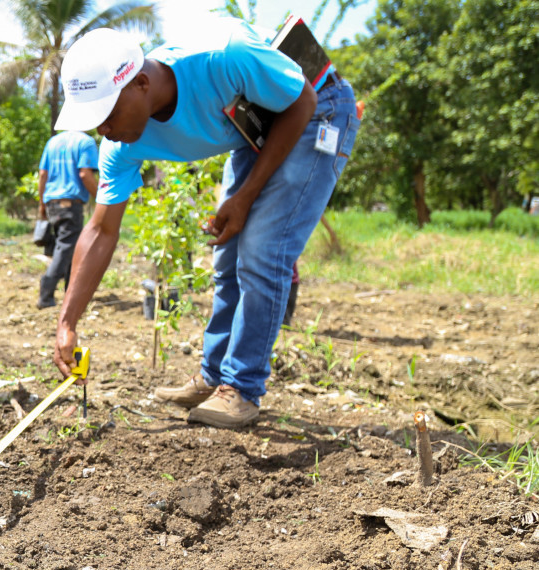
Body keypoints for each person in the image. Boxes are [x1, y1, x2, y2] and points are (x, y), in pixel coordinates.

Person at [49, 22, 359, 428]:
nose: (102, 131)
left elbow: (301, 100)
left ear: (140, 83)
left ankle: (242, 388)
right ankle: (215, 377)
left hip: (315, 106)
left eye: (107, 115)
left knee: (262, 252)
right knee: (227, 255)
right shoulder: (119, 146)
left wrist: (244, 197)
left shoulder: (224, 56)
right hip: (256, 125)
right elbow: (100, 230)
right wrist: (67, 322)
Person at [35, 130, 98, 309]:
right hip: (70, 204)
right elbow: (85, 174)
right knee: (65, 248)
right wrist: (102, 199)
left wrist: (42, 204)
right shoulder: (85, 142)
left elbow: (43, 174)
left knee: (70, 249)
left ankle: (70, 292)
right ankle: (46, 293)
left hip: (52, 203)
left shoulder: (53, 142)